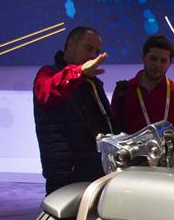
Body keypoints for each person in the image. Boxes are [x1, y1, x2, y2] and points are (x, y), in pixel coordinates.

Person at [33, 26, 114, 194]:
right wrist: (79, 72)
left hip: (95, 171)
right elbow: (49, 92)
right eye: (88, 48)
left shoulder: (92, 82)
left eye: (97, 51)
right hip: (66, 175)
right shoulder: (48, 74)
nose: (93, 55)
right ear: (71, 44)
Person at [111, 34, 174, 136]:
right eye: (153, 59)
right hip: (130, 151)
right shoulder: (123, 90)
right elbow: (113, 130)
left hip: (168, 151)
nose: (157, 65)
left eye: (163, 61)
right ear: (143, 57)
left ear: (170, 63)